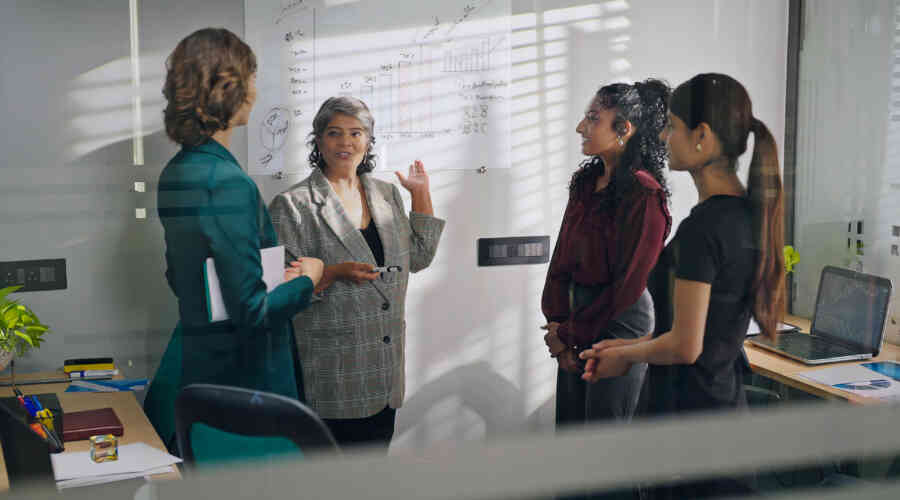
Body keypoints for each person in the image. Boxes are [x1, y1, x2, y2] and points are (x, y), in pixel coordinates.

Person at [580, 73, 786, 498]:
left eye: (672, 126)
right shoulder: (747, 217)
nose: (664, 136)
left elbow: (686, 346)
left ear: (702, 137)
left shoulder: (702, 230)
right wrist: (627, 347)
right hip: (721, 422)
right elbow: (702, 335)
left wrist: (625, 356)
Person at [143, 28, 324, 462]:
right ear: (230, 88)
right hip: (246, 381)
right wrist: (307, 281)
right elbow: (252, 312)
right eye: (252, 78)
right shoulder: (225, 181)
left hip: (202, 368)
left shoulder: (177, 171)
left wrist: (272, 273)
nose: (257, 91)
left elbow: (184, 278)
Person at [269, 96, 444, 450]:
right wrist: (333, 273)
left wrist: (420, 195)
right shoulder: (292, 205)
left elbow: (419, 258)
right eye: (334, 133)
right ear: (318, 141)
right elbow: (277, 294)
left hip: (384, 372)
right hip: (333, 375)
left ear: (368, 141)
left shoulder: (386, 194)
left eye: (356, 133)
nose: (345, 142)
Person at [541, 79, 672, 437]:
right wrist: (557, 325)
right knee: (571, 438)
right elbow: (561, 262)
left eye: (593, 118)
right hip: (575, 320)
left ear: (624, 129)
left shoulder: (645, 195)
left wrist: (568, 333)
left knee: (603, 442)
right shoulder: (586, 183)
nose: (580, 127)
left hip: (620, 324)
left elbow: (627, 286)